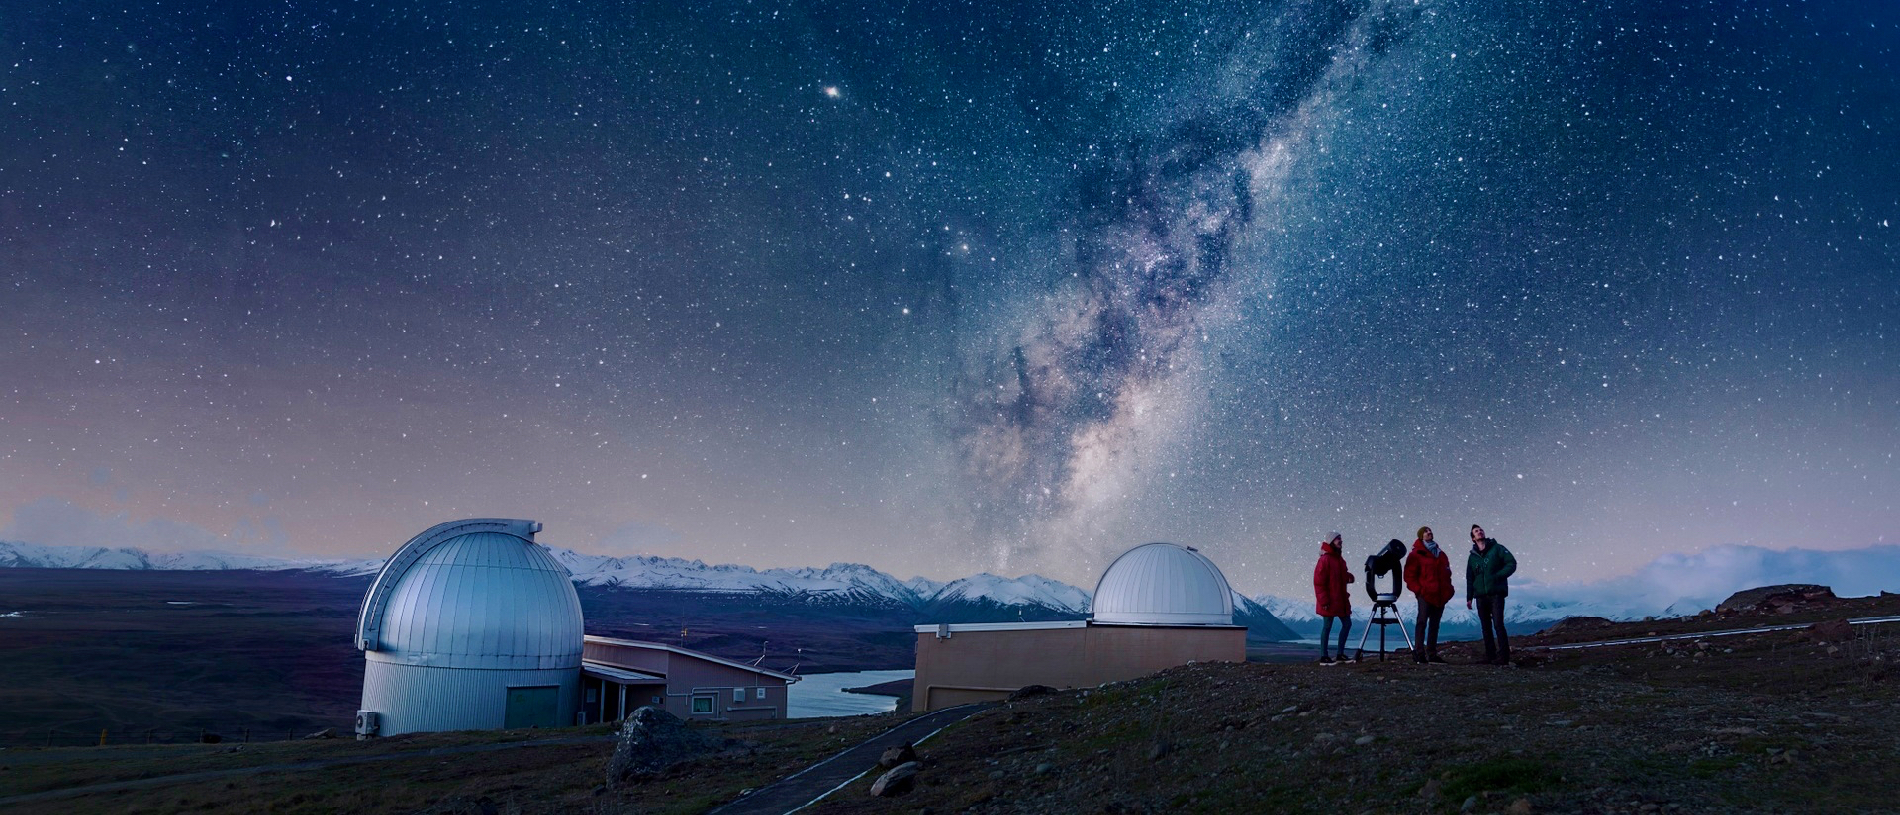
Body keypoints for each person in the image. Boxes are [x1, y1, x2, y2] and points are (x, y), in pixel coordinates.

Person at [1464, 524, 1517, 665]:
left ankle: (1504, 657)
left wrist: (1498, 576)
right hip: (1480, 596)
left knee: (1498, 624)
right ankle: (1490, 656)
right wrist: (1469, 597)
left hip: (1496, 593)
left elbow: (1511, 563)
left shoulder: (1497, 548)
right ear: (1473, 538)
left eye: (1481, 529)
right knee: (1485, 626)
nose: (1480, 532)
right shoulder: (1472, 557)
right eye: (1476, 531)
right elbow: (1470, 578)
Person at [1403, 526, 1454, 663]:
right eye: (1426, 531)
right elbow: (1409, 576)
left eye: (1430, 530)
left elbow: (1447, 573)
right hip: (1425, 594)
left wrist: (1449, 589)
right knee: (1421, 622)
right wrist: (1419, 590)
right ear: (1421, 536)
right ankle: (1420, 654)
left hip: (1440, 595)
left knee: (1435, 624)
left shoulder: (1441, 554)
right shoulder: (1416, 554)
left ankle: (1432, 654)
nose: (1429, 532)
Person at [1312, 532, 1355, 663]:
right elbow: (1319, 582)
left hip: (1340, 599)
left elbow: (1339, 577)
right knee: (1327, 626)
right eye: (1338, 539)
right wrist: (1324, 600)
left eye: (1341, 538)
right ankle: (1324, 656)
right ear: (1331, 541)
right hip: (1329, 600)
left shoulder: (1340, 560)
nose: (1340, 541)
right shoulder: (1324, 559)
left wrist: (1348, 577)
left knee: (1347, 624)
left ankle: (1340, 654)